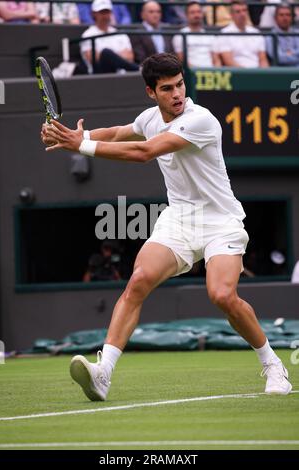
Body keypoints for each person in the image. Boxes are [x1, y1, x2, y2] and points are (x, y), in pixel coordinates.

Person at [41, 52, 292, 401]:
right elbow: (118, 132)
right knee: (139, 280)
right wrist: (72, 134)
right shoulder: (149, 118)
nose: (177, 94)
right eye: (167, 89)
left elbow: (143, 152)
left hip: (221, 221)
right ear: (151, 92)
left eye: (179, 85)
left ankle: (273, 364)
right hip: (179, 219)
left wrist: (80, 145)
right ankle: (103, 373)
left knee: (221, 295)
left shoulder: (201, 120)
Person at [79, 0, 138, 74]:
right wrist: (116, 56)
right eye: (102, 12)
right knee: (106, 53)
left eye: (107, 12)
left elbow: (130, 57)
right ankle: (137, 69)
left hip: (122, 74)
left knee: (106, 53)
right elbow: (93, 58)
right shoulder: (87, 35)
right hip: (99, 75)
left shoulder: (120, 34)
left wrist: (111, 57)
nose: (105, 16)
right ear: (94, 14)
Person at [216, 0, 269, 68]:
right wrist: (246, 74)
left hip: (257, 73)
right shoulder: (225, 33)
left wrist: (264, 74)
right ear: (231, 15)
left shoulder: (256, 33)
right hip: (237, 74)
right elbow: (228, 61)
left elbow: (263, 60)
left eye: (244, 10)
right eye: (238, 11)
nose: (242, 14)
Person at [172, 1, 221, 68]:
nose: (196, 15)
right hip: (190, 74)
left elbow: (217, 60)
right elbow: (182, 61)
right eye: (192, 12)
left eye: (199, 12)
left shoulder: (210, 35)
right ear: (186, 15)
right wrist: (195, 73)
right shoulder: (179, 36)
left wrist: (216, 72)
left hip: (211, 74)